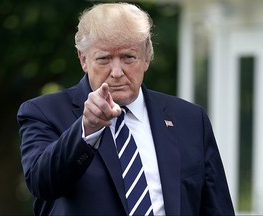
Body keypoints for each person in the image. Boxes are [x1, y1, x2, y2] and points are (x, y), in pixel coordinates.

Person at [17, 2, 235, 215]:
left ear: (147, 58)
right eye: (104, 59)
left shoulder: (190, 119)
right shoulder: (44, 112)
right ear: (83, 59)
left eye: (128, 57)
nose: (117, 71)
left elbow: (217, 207)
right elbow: (42, 184)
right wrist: (87, 130)